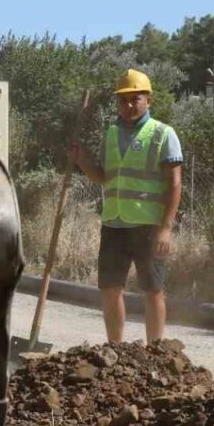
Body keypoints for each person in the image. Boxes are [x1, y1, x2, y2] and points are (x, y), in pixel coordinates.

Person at [70, 69, 182, 343]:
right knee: (110, 289)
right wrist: (82, 160)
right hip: (114, 224)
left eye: (136, 99)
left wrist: (166, 228)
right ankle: (115, 350)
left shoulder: (163, 134)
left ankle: (155, 350)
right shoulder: (111, 134)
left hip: (148, 226)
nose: (129, 106)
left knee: (153, 290)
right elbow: (103, 177)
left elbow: (175, 185)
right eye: (124, 100)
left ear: (149, 100)